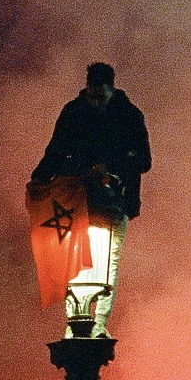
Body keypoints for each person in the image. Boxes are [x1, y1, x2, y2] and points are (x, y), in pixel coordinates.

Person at [30, 63, 151, 337]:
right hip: (81, 198)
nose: (96, 103)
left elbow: (144, 160)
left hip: (112, 199)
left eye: (100, 98)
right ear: (86, 89)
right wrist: (38, 179)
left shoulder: (129, 115)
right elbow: (55, 151)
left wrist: (109, 168)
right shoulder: (74, 112)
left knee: (105, 259)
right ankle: (77, 322)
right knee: (75, 255)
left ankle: (98, 324)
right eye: (92, 97)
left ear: (111, 89)